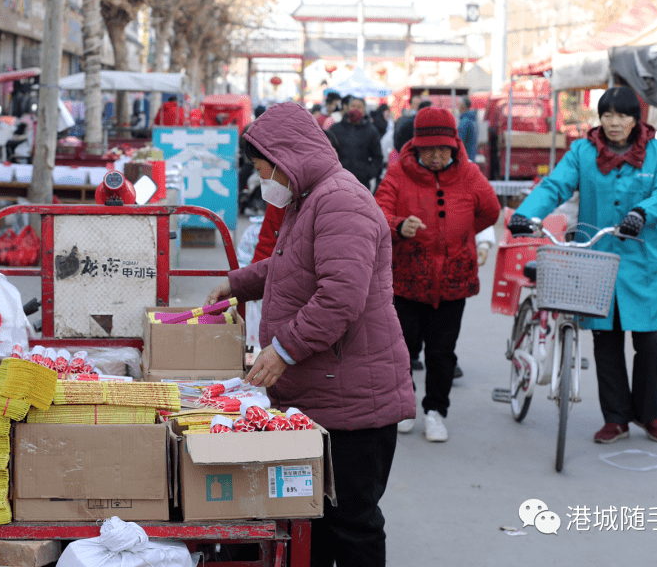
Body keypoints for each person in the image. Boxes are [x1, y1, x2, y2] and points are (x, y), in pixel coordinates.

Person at [204, 102, 413, 566]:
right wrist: (236, 284)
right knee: (313, 523)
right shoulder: (310, 198)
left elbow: (340, 297)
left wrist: (282, 351)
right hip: (325, 392)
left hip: (356, 401)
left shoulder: (341, 201)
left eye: (264, 171)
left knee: (352, 524)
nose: (264, 183)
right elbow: (291, 267)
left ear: (286, 159)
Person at [509, 85, 657, 444]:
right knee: (606, 339)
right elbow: (555, 186)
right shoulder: (583, 152)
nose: (614, 122)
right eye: (607, 115)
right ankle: (616, 417)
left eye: (622, 115)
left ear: (637, 119)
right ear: (599, 118)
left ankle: (649, 414)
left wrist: (642, 212)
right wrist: (524, 215)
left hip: (646, 262)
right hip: (598, 259)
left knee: (651, 343)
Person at [375, 107, 500, 442]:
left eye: (442, 148)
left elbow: (490, 210)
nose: (434, 155)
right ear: (415, 146)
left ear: (454, 146)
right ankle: (405, 405)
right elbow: (378, 213)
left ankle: (435, 411)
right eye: (428, 149)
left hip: (452, 282)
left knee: (442, 351)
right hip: (406, 279)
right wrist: (399, 226)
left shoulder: (470, 174)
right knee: (403, 348)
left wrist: (461, 235)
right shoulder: (398, 173)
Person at [329, 97, 384, 192]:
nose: (356, 109)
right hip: (338, 181)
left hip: (361, 183)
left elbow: (377, 157)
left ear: (364, 110)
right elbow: (327, 153)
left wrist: (369, 173)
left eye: (359, 107)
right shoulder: (335, 129)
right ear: (347, 108)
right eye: (353, 106)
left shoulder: (371, 131)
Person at [457, 95, 478, 161]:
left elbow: (459, 142)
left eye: (459, 105)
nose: (458, 107)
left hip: (465, 159)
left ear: (462, 106)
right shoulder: (473, 119)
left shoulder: (464, 121)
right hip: (471, 157)